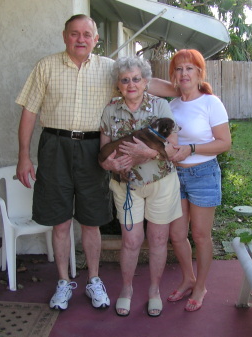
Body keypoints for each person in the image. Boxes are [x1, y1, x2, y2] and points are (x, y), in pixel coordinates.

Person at [15, 14, 176, 311]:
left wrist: (185, 88)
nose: (80, 39)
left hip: (93, 148)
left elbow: (141, 82)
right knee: (60, 220)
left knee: (91, 220)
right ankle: (64, 282)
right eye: (74, 34)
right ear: (65, 36)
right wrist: (24, 156)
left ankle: (94, 280)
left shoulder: (107, 68)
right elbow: (29, 112)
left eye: (87, 34)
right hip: (54, 146)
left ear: (95, 39)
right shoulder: (46, 66)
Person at [99, 57, 182, 317]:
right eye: (125, 80)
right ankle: (126, 289)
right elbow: (102, 155)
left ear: (146, 82)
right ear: (118, 84)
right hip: (126, 186)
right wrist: (109, 166)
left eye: (136, 79)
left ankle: (154, 291)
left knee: (158, 239)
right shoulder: (110, 110)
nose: (131, 84)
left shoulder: (161, 107)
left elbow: (173, 149)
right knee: (131, 241)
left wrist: (147, 152)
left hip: (160, 182)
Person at [167, 49, 231, 312]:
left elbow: (224, 143)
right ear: (173, 75)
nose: (184, 74)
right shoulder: (172, 106)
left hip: (203, 173)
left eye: (189, 68)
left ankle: (201, 286)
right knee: (177, 234)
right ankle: (187, 279)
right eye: (179, 69)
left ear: (200, 73)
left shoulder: (210, 102)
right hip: (176, 175)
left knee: (201, 236)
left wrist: (191, 148)